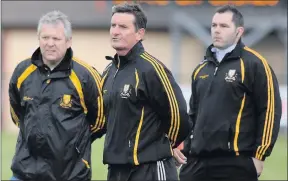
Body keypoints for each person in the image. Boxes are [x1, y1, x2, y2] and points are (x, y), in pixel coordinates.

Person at [174, 5, 282, 181]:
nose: (217, 30)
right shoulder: (201, 69)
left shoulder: (255, 65)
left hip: (236, 163)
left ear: (239, 31)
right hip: (196, 163)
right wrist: (185, 148)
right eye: (214, 25)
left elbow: (270, 111)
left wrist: (259, 155)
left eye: (224, 26)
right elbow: (193, 115)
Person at [9, 10, 105, 181]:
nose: (50, 43)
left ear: (68, 41)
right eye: (45, 38)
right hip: (26, 172)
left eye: (56, 38)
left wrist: (74, 144)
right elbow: (17, 115)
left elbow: (100, 120)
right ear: (38, 38)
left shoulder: (85, 76)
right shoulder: (22, 72)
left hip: (70, 174)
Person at [100, 2, 191, 181]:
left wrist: (166, 146)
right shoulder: (109, 71)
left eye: (123, 27)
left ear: (139, 34)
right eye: (113, 25)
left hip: (150, 169)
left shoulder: (152, 69)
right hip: (116, 169)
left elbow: (179, 116)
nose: (115, 31)